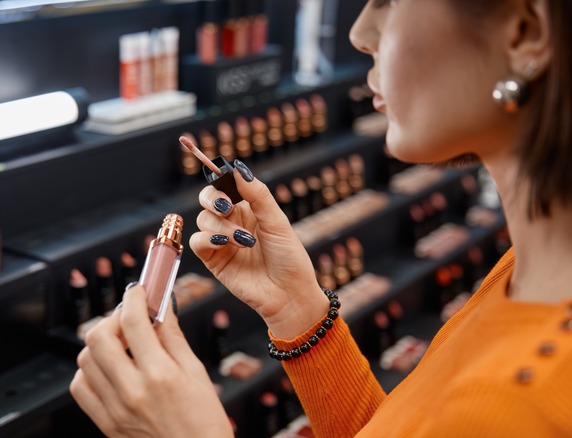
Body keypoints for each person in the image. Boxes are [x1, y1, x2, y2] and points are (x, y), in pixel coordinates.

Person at [70, 0, 572, 435]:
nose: (359, 34)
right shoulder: (530, 271)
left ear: (524, 33)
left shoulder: (528, 400)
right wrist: (299, 311)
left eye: (388, 0)